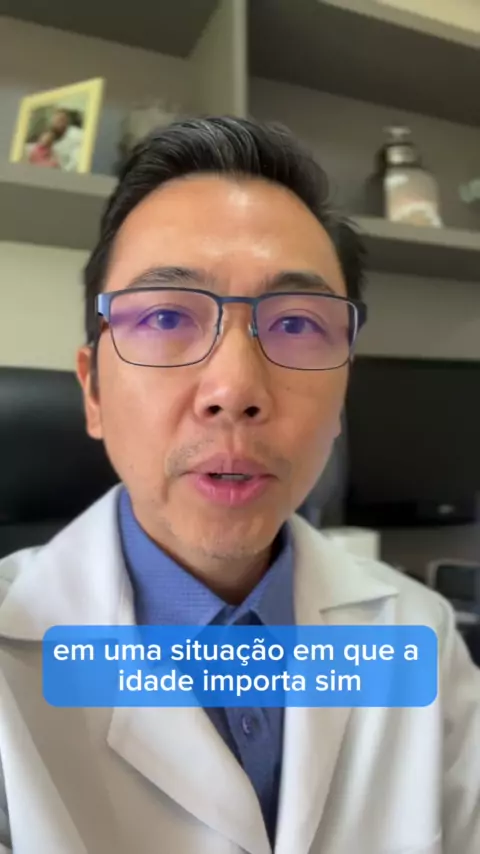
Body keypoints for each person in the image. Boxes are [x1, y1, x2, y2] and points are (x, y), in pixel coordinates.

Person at [0, 117, 478, 854]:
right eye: (166, 315)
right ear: (92, 392)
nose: (235, 390)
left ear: (341, 398)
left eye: (297, 326)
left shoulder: (422, 634)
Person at [50, 107, 84, 171]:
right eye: (56, 120)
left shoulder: (76, 135)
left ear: (67, 121)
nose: (58, 123)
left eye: (61, 120)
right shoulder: (51, 138)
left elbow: (76, 162)